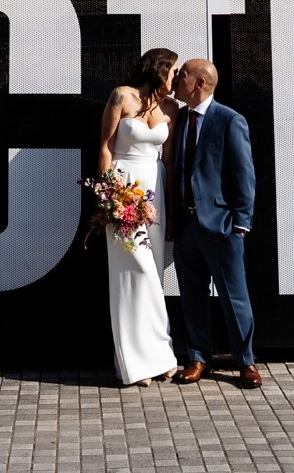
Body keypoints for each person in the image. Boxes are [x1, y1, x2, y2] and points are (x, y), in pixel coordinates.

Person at [167, 57, 260, 390]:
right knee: (192, 296)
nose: (176, 79)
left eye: (182, 76)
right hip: (186, 226)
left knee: (234, 297)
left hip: (221, 226)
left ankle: (246, 362)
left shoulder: (229, 121)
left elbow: (243, 175)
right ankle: (197, 358)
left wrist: (240, 225)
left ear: (199, 83)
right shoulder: (178, 117)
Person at [95, 47, 180, 387]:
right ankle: (134, 363)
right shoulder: (121, 97)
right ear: (158, 70)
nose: (175, 78)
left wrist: (171, 210)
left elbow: (170, 163)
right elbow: (104, 147)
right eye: (172, 71)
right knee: (132, 274)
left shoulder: (172, 108)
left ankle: (160, 357)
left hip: (155, 190)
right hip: (123, 189)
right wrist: (107, 197)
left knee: (152, 274)